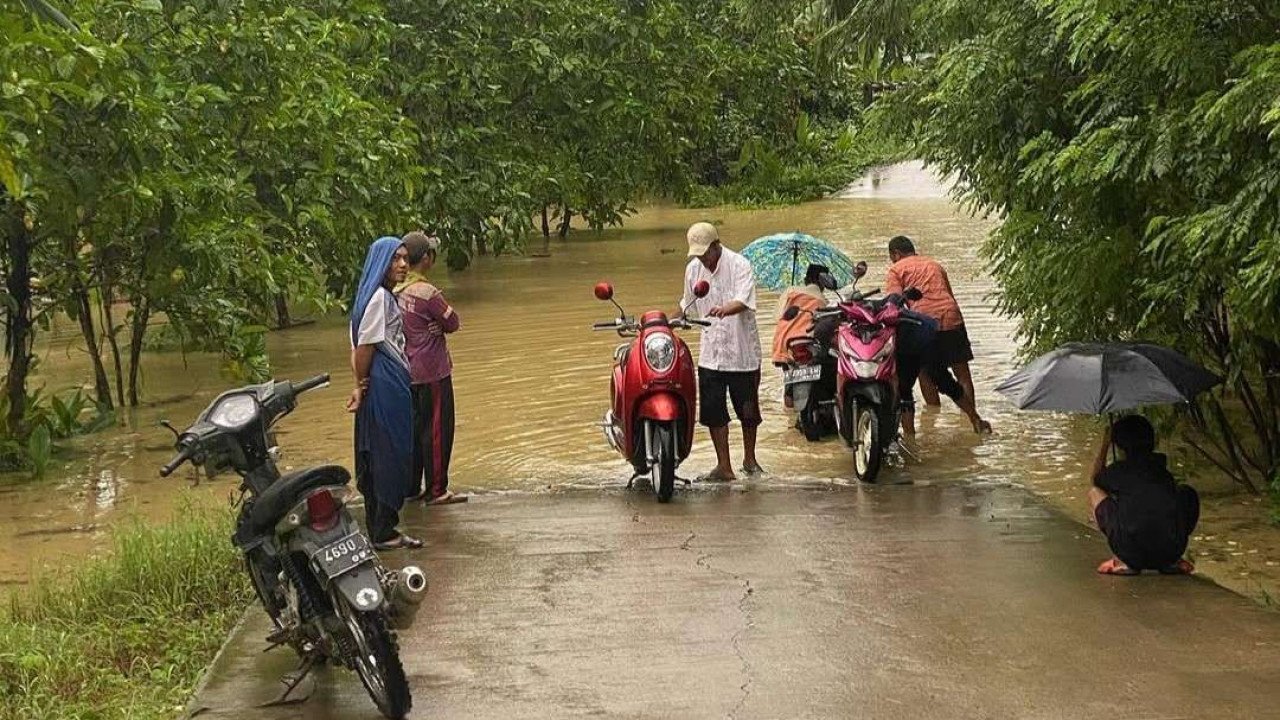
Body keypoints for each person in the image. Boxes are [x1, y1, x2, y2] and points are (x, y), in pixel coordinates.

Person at [348, 236, 422, 551]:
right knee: (391, 452)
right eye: (396, 259)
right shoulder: (379, 299)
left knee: (377, 451)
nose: (403, 265)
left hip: (379, 379)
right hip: (384, 382)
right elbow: (364, 348)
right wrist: (360, 383)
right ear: (381, 263)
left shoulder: (370, 297)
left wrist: (359, 383)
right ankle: (384, 531)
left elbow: (356, 344)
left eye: (405, 258)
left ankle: (380, 527)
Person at [676, 222, 763, 481]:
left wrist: (726, 308)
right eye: (699, 254)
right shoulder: (693, 270)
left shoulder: (739, 264)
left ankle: (750, 459)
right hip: (710, 354)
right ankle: (724, 466)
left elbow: (744, 300)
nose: (703, 258)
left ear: (716, 245)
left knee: (748, 411)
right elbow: (688, 306)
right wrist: (667, 321)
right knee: (714, 412)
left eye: (706, 252)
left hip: (741, 353)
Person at [884, 235, 991, 434]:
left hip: (923, 324)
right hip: (951, 316)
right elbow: (949, 295)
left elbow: (894, 303)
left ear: (895, 254)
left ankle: (932, 417)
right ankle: (970, 419)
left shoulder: (896, 269)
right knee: (962, 372)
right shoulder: (934, 264)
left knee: (924, 372)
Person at [397, 230, 466, 507]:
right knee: (437, 429)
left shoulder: (394, 291)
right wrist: (436, 325)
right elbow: (453, 323)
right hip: (432, 371)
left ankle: (411, 487)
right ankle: (437, 489)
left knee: (414, 430)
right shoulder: (427, 293)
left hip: (405, 370)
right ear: (426, 258)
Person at [1089, 415, 1199, 575]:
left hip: (1130, 554)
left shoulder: (1119, 470)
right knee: (1186, 492)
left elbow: (1095, 480)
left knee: (1094, 493)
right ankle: (1172, 561)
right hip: (1171, 552)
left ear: (1119, 444)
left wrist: (1105, 444)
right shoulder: (1161, 468)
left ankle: (1120, 560)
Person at [771, 263, 829, 408]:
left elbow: (777, 316)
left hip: (785, 343)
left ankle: (790, 416)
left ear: (805, 279)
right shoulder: (822, 300)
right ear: (824, 282)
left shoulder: (791, 291)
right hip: (809, 344)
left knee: (789, 385)